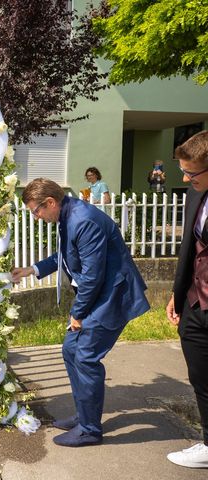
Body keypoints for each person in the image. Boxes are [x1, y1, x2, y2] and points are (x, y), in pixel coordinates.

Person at [12, 178, 149, 447]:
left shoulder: (82, 220)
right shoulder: (68, 213)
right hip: (98, 295)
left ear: (50, 202)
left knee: (85, 357)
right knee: (70, 350)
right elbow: (64, 255)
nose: (36, 216)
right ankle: (84, 416)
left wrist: (77, 314)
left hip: (111, 298)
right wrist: (32, 270)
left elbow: (92, 276)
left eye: (35, 211)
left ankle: (90, 431)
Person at [165, 130, 208, 468]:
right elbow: (188, 252)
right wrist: (177, 295)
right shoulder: (195, 195)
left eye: (191, 172)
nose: (184, 178)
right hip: (195, 304)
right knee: (200, 376)